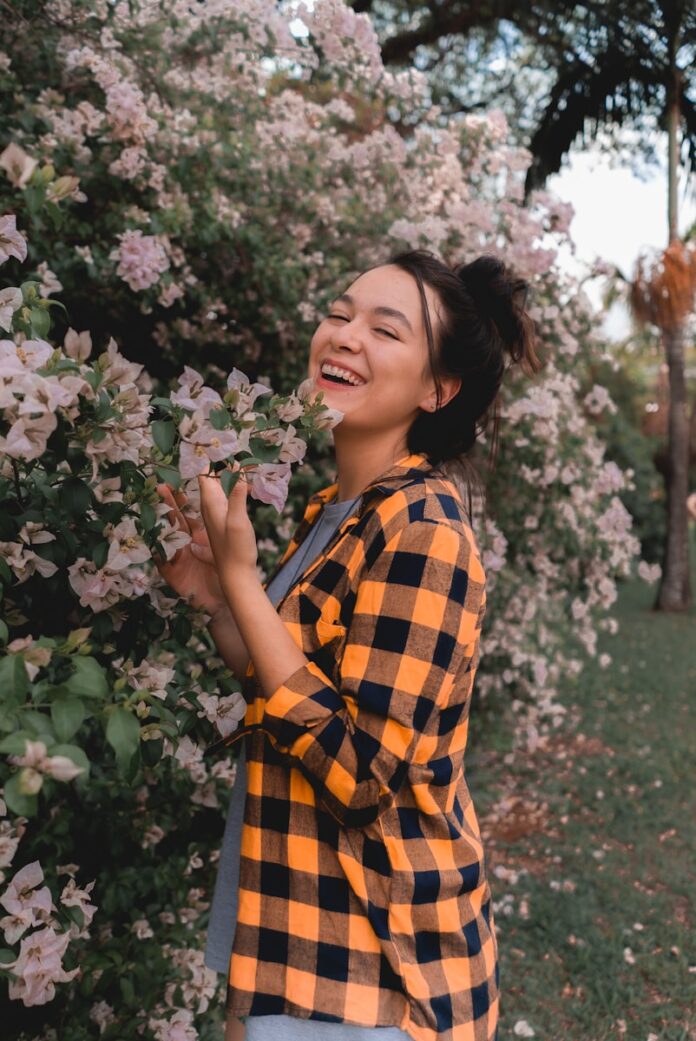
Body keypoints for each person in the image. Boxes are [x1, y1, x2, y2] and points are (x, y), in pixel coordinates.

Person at [157, 249, 541, 1041]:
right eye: (339, 312)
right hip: (291, 924)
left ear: (439, 389)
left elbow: (359, 773)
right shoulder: (339, 508)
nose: (345, 335)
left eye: (384, 329)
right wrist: (219, 595)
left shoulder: (425, 531)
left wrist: (242, 576)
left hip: (374, 964)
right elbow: (286, 681)